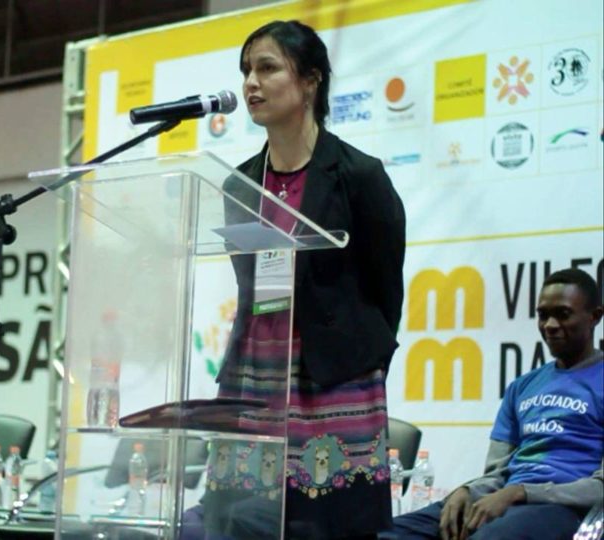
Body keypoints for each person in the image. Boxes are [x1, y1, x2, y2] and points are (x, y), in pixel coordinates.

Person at [200, 20, 405, 540]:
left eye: (267, 68)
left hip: (336, 379)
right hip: (253, 371)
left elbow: (386, 288)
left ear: (311, 80)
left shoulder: (359, 175)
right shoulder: (240, 183)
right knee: (240, 522)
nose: (250, 82)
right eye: (246, 70)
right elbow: (251, 287)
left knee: (332, 524)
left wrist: (359, 363)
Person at [391, 268, 604, 540]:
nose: (549, 324)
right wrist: (467, 491)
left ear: (595, 317)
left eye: (562, 314)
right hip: (505, 500)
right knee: (388, 533)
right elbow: (497, 472)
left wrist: (521, 492)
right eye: (542, 315)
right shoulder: (522, 387)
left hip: (562, 509)